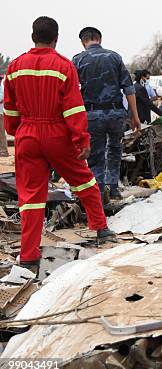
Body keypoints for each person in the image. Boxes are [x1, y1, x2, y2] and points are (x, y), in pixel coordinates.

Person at [3, 16, 116, 274]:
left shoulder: (15, 67)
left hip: (27, 134)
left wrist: (16, 131)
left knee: (31, 197)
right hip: (56, 134)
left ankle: (28, 256)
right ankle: (101, 228)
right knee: (83, 180)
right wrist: (81, 139)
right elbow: (74, 108)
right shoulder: (63, 65)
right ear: (56, 38)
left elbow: (8, 108)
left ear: (33, 36)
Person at [73, 26, 140, 202]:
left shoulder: (78, 60)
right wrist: (135, 116)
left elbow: (71, 92)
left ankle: (100, 191)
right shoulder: (114, 57)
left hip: (92, 115)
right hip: (116, 113)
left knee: (96, 154)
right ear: (99, 39)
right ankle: (114, 188)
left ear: (83, 41)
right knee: (115, 149)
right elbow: (128, 88)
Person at [0, 76, 9, 157]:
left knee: (2, 133)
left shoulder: (2, 88)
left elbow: (2, 99)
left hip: (1, 113)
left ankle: (4, 151)